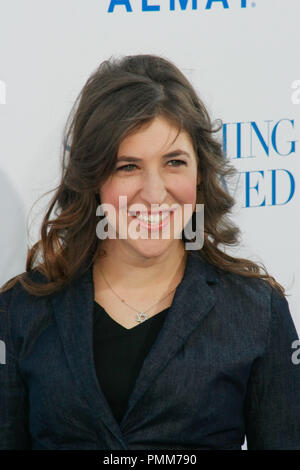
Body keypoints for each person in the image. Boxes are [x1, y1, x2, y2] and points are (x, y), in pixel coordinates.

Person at [0, 54, 299, 451]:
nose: (155, 193)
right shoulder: (20, 311)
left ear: (200, 173)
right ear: (93, 179)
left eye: (174, 162)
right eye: (128, 166)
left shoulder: (257, 312)